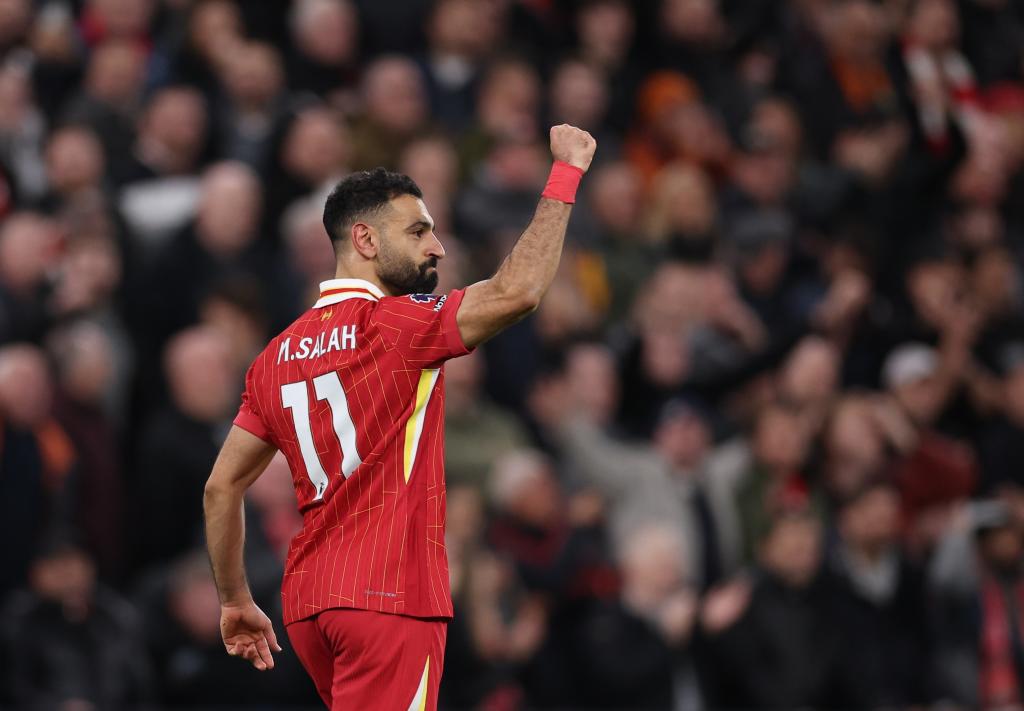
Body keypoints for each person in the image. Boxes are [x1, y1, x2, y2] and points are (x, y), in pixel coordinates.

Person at [202, 124, 597, 709]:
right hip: (388, 595)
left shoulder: (273, 357)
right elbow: (519, 292)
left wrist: (235, 599)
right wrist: (566, 173)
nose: (435, 247)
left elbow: (220, 488)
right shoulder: (396, 325)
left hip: (310, 604)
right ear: (363, 239)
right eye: (418, 231)